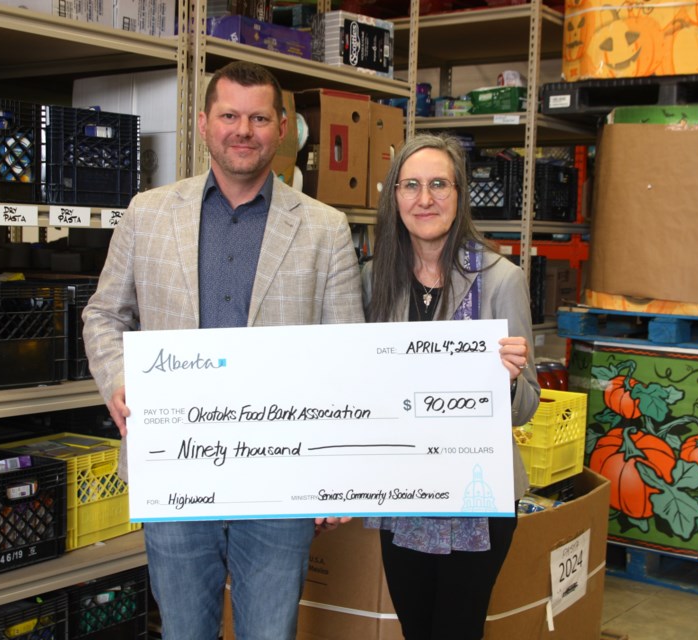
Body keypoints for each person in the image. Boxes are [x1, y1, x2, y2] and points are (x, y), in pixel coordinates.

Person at [81, 61, 364, 640]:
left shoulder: (324, 228)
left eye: (259, 118)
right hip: (175, 466)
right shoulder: (147, 214)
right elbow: (104, 314)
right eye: (230, 116)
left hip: (280, 475)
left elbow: (346, 355)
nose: (244, 130)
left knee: (268, 632)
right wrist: (116, 380)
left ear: (282, 128)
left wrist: (340, 476)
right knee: (184, 630)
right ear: (204, 123)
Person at [362, 132, 541, 640]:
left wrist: (505, 383)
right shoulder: (373, 281)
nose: (425, 199)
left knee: (458, 630)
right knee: (416, 628)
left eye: (439, 184)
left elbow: (526, 405)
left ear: (460, 195)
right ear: (393, 197)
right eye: (411, 185)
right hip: (400, 489)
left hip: (477, 497)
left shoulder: (501, 279)